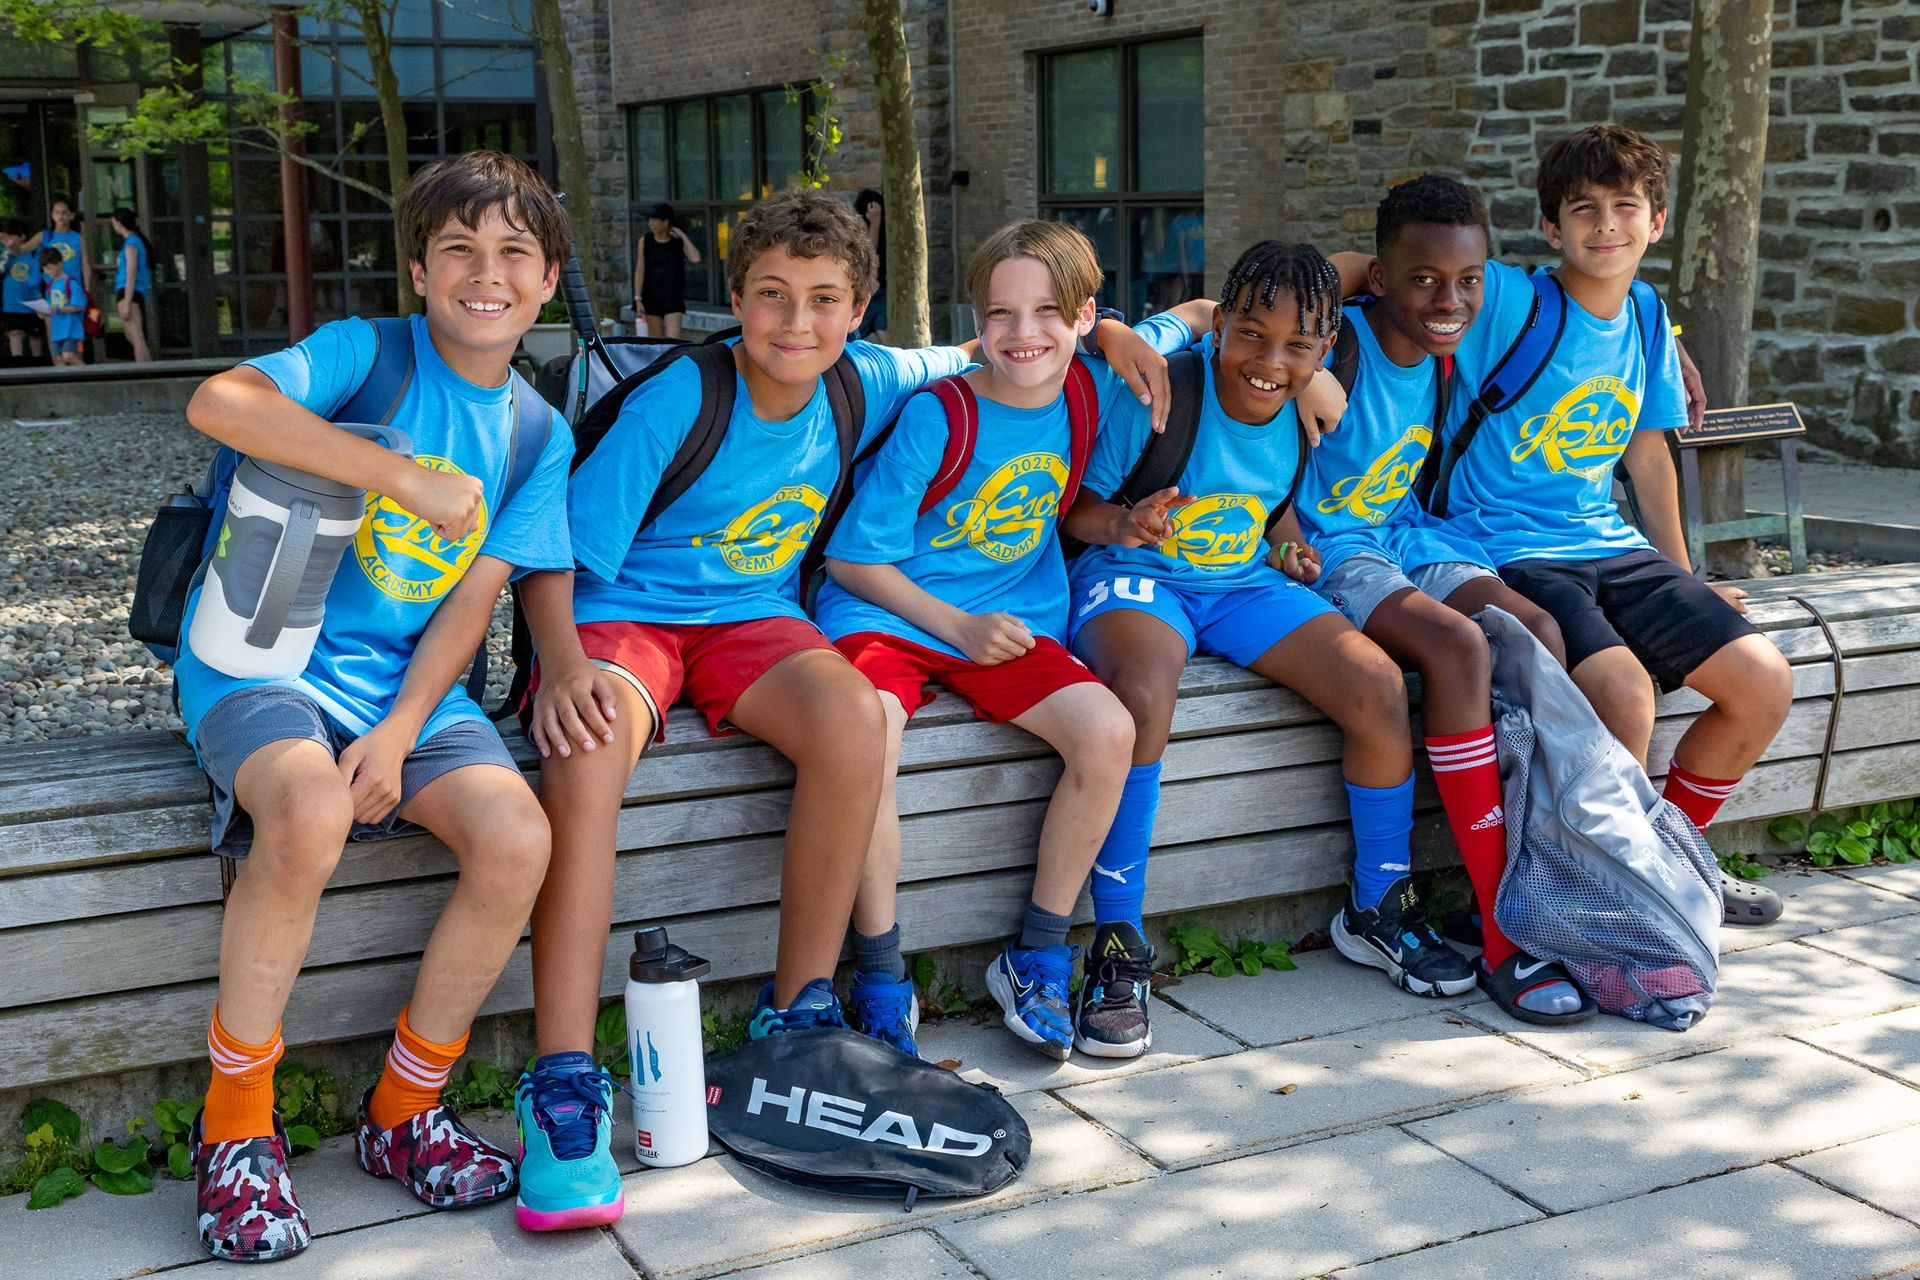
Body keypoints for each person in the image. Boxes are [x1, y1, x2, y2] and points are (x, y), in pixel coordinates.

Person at [512, 189, 1181, 1227]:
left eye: (826, 300)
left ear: (863, 309)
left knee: (855, 719)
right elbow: (554, 551)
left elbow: (995, 342)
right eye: (771, 296)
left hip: (751, 618)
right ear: (733, 299)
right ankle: (564, 1074)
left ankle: (804, 1010)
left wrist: (1122, 327)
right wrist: (560, 666)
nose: (796, 322)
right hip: (625, 611)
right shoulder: (676, 400)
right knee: (588, 749)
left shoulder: (865, 375)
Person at [173, 151, 576, 1263]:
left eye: (513, 255)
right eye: (458, 250)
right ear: (418, 268)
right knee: (307, 811)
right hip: (264, 657)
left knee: (517, 833)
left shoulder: (540, 434)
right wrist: (392, 474)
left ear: (546, 282)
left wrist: (400, 733)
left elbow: (468, 610)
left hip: (401, 687)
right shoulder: (368, 354)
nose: (483, 274)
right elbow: (219, 401)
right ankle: (238, 1129)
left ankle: (404, 1111)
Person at [1060, 241, 1476, 1060]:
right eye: (1251, 334)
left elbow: (1271, 508)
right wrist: (1124, 522)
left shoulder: (1302, 409)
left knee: (1378, 686)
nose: (1269, 361)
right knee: (1142, 693)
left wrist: (1289, 551)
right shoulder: (1159, 397)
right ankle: (1116, 941)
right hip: (1138, 574)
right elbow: (1077, 510)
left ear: (1325, 353)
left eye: (1296, 347)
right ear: (1221, 327)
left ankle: (1377, 904)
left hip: (1242, 580)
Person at [817, 220, 1214, 1060]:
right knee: (868, 737)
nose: (1022, 333)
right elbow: (854, 560)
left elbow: (1191, 321)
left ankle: (1035, 950)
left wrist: (1123, 524)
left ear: (1083, 318)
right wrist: (955, 626)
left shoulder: (1095, 389)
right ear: (978, 319)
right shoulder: (939, 414)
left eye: (1047, 313)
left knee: (1109, 731)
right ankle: (882, 971)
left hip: (1010, 618)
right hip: (896, 613)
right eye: (1001, 313)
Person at [1437, 124, 1792, 928]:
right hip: (1508, 547)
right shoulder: (1510, 300)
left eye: (1625, 206)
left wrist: (1685, 574)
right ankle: (1603, 898)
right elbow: (1384, 270)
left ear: (1655, 221)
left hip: (1610, 544)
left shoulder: (1645, 315)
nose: (1606, 225)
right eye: (1583, 208)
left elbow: (1648, 454)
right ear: (1552, 227)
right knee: (1624, 693)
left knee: (1763, 683)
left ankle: (1667, 859)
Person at [1282, 175, 1589, 1024]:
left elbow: (1591, 305)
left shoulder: (1452, 344)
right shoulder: (1333, 340)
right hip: (1331, 547)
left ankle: (1542, 877)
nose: (1449, 299)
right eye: (1423, 279)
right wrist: (1306, 363)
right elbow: (1228, 318)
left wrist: (1665, 339)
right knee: (1460, 649)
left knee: (1532, 630)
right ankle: (1501, 931)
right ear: (1380, 278)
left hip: (1410, 533)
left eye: (1466, 281)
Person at [632, 201, 700, 338]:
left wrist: (682, 235)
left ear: (665, 222)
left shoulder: (677, 242)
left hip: (673, 298)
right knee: (656, 343)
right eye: (649, 220)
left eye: (653, 220)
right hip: (651, 297)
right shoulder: (646, 240)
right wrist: (637, 298)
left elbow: (696, 258)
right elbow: (640, 269)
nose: (650, 223)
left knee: (673, 342)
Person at [0, 218, 46, 365]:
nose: (8, 239)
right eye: (5, 236)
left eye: (11, 235)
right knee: (15, 334)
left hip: (32, 301)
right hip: (11, 302)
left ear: (22, 236)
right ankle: (17, 367)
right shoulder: (4, 253)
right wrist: (6, 252)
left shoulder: (34, 253)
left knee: (35, 336)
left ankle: (38, 369)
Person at [25, 195, 90, 298]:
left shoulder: (79, 238)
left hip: (73, 288)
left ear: (71, 216)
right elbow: (22, 250)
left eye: (64, 212)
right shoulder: (45, 236)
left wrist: (87, 291)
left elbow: (85, 266)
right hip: (51, 288)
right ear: (52, 215)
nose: (60, 216)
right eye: (57, 212)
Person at [110, 206, 153, 363]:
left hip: (129, 292)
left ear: (119, 223)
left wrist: (127, 302)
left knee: (136, 336)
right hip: (134, 292)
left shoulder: (131, 244)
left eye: (114, 223)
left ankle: (144, 371)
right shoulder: (136, 241)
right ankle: (150, 370)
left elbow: (131, 273)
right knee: (132, 335)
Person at [39, 247, 86, 366]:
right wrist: (44, 312)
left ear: (59, 264)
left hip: (71, 329)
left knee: (68, 357)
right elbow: (50, 308)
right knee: (59, 361)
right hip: (57, 330)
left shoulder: (71, 283)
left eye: (49, 268)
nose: (47, 272)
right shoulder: (50, 286)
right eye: (44, 269)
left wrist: (59, 309)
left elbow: (79, 306)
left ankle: (93, 375)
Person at [854, 188, 887, 342]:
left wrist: (876, 222)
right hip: (867, 291)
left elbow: (871, 255)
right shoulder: (860, 231)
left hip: (881, 292)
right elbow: (868, 257)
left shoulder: (887, 230)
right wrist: (875, 222)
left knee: (884, 334)